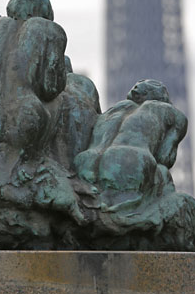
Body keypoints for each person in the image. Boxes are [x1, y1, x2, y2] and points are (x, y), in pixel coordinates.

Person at [74, 79, 187, 210]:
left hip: (86, 159)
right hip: (129, 159)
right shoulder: (172, 113)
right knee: (162, 176)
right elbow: (164, 158)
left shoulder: (114, 109)